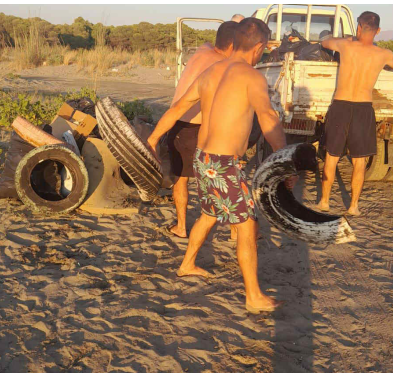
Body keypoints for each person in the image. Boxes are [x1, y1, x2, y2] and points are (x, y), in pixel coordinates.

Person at [147, 18, 293, 313]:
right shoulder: (252, 77)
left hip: (203, 158)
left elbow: (176, 109)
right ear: (260, 47)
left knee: (209, 214)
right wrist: (286, 160)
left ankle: (187, 264)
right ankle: (253, 296)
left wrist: (152, 138)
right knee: (247, 225)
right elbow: (268, 121)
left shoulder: (211, 71)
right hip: (224, 164)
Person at [146, 21, 238, 240]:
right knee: (212, 178)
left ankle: (181, 227)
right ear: (234, 44)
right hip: (191, 128)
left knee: (184, 178)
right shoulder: (223, 67)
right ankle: (234, 229)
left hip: (179, 124)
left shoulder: (203, 49)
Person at [318, 11, 393, 216]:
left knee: (331, 157)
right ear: (377, 31)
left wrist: (348, 38)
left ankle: (324, 202)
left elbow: (324, 42)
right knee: (359, 161)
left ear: (359, 27)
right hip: (363, 108)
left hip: (341, 105)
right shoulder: (384, 55)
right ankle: (353, 206)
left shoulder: (345, 46)